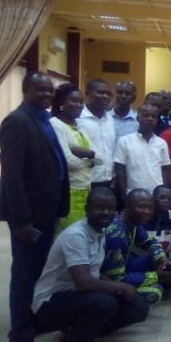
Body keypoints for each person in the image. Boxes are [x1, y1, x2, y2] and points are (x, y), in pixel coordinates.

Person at [32, 188, 148, 342]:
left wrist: (122, 290)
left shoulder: (100, 232)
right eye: (100, 208)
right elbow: (84, 282)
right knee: (104, 303)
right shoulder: (76, 235)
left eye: (110, 208)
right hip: (50, 302)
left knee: (138, 307)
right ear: (87, 209)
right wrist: (122, 287)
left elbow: (94, 274)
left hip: (78, 296)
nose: (106, 213)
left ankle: (80, 332)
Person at [0, 72, 69, 342]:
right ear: (26, 90)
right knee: (25, 276)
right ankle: (20, 337)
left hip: (46, 211)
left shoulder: (42, 118)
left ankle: (30, 323)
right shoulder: (17, 122)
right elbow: (12, 178)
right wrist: (22, 221)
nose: (46, 95)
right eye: (40, 90)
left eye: (50, 91)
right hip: (30, 218)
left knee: (39, 273)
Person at [101, 189, 171, 304]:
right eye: (141, 207)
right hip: (106, 279)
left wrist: (162, 259)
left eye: (150, 208)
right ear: (128, 206)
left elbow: (149, 241)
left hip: (124, 266)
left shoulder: (133, 222)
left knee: (158, 260)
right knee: (154, 292)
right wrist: (156, 276)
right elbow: (115, 278)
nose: (147, 212)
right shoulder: (116, 233)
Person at [50, 83, 99, 232]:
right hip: (68, 191)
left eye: (81, 101)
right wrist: (89, 159)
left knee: (81, 235)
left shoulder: (80, 127)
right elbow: (67, 162)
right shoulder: (56, 125)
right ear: (61, 103)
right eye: (74, 100)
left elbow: (100, 158)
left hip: (85, 189)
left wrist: (86, 154)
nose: (79, 105)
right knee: (66, 235)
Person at [113, 104, 171, 200]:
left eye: (154, 117)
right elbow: (120, 170)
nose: (150, 119)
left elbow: (164, 169)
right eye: (146, 116)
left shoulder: (162, 143)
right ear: (137, 118)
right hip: (134, 194)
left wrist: (164, 192)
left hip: (156, 195)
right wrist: (124, 194)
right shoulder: (125, 141)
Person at [77, 79, 115, 189]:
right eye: (100, 92)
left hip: (109, 181)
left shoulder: (110, 119)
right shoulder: (78, 118)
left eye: (108, 94)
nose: (105, 96)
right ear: (87, 94)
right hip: (85, 181)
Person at [144, 186, 171, 282]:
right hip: (144, 260)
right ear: (153, 198)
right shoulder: (143, 216)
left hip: (164, 261)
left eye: (170, 199)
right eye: (162, 197)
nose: (166, 201)